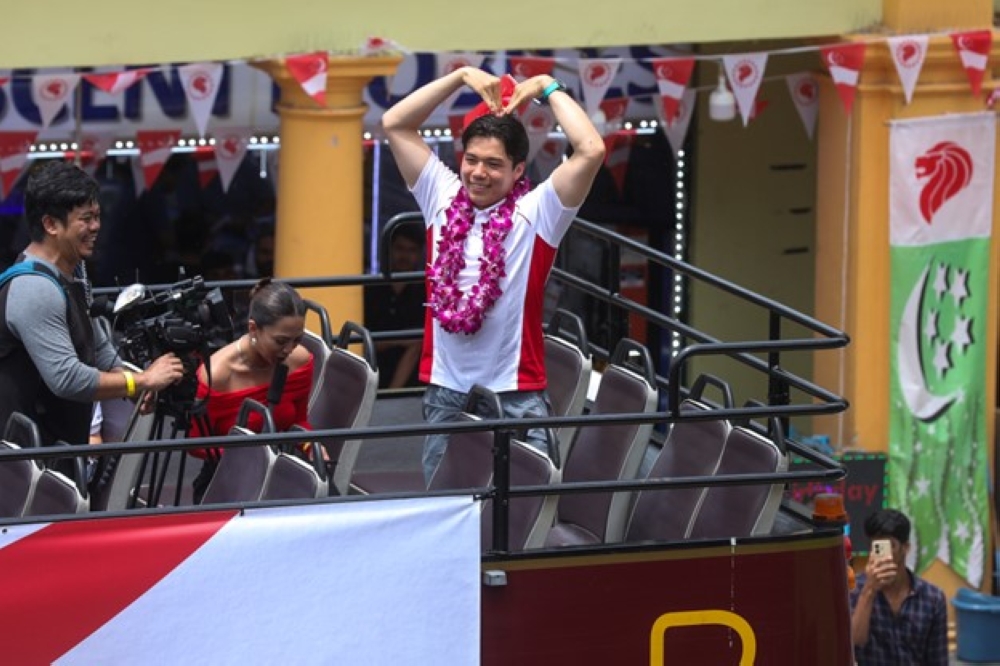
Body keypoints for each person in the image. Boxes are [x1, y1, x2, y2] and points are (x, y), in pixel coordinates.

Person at [382, 67, 605, 482]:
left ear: (519, 171)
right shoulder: (441, 194)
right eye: (471, 160)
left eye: (493, 164)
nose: (478, 172)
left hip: (515, 391)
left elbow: (590, 149)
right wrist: (460, 76)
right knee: (445, 509)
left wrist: (545, 87)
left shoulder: (539, 211)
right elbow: (395, 122)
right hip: (446, 389)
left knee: (525, 510)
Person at [0, 161, 184, 465]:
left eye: (97, 216)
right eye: (86, 219)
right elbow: (67, 379)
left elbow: (93, 339)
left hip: (59, 453)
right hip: (24, 465)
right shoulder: (34, 288)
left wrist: (127, 380)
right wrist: (141, 381)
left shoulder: (74, 270)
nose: (96, 227)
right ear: (51, 225)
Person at [188, 278, 314, 501]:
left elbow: (299, 421)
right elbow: (196, 445)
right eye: (281, 341)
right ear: (253, 328)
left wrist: (310, 445)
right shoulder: (216, 375)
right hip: (227, 480)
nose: (289, 349)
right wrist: (251, 457)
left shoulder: (300, 360)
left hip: (283, 474)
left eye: (297, 339)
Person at [849, 508, 948, 665]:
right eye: (877, 547)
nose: (884, 555)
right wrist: (869, 590)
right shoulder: (855, 589)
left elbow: (938, 660)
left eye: (890, 546)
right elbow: (854, 642)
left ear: (905, 548)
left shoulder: (932, 598)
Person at [364, 223, 425, 389]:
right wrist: (400, 340)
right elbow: (364, 339)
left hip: (413, 382)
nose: (404, 255)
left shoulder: (426, 291)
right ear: (389, 249)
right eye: (399, 248)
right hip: (372, 369)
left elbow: (418, 342)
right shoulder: (370, 288)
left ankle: (391, 394)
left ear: (420, 254)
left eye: (411, 250)